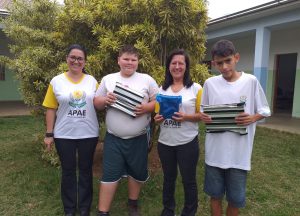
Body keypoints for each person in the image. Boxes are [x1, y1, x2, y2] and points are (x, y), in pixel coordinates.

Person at [200, 39, 271, 216]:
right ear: (214, 63)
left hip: (239, 155)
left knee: (235, 199)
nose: (224, 67)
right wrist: (205, 117)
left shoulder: (251, 81)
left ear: (236, 58)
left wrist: (252, 118)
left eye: (228, 61)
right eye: (219, 63)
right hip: (215, 153)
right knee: (215, 196)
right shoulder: (210, 84)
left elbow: (264, 110)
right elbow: (203, 111)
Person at [94, 45, 159, 216]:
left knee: (136, 172)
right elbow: (96, 102)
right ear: (118, 60)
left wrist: (146, 108)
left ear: (138, 62)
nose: (129, 62)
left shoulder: (147, 80)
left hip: (138, 137)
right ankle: (103, 211)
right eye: (126, 59)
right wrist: (105, 100)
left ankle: (132, 204)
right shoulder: (108, 79)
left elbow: (158, 102)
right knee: (109, 173)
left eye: (133, 59)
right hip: (113, 138)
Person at [43, 44, 99, 216]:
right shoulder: (56, 81)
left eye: (80, 58)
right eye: (72, 57)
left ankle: (84, 208)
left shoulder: (92, 81)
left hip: (88, 133)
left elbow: (100, 103)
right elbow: (51, 108)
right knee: (68, 172)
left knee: (85, 170)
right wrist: (49, 134)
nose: (76, 61)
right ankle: (69, 209)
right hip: (63, 134)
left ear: (85, 61)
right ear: (67, 59)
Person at [154, 49, 202, 216]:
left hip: (187, 142)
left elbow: (201, 116)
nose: (177, 66)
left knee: (188, 181)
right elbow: (157, 113)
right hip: (165, 142)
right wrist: (157, 119)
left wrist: (186, 117)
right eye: (173, 63)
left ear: (186, 66)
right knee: (168, 179)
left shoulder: (196, 88)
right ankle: (168, 210)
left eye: (181, 63)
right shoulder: (162, 89)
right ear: (168, 67)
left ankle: (189, 212)